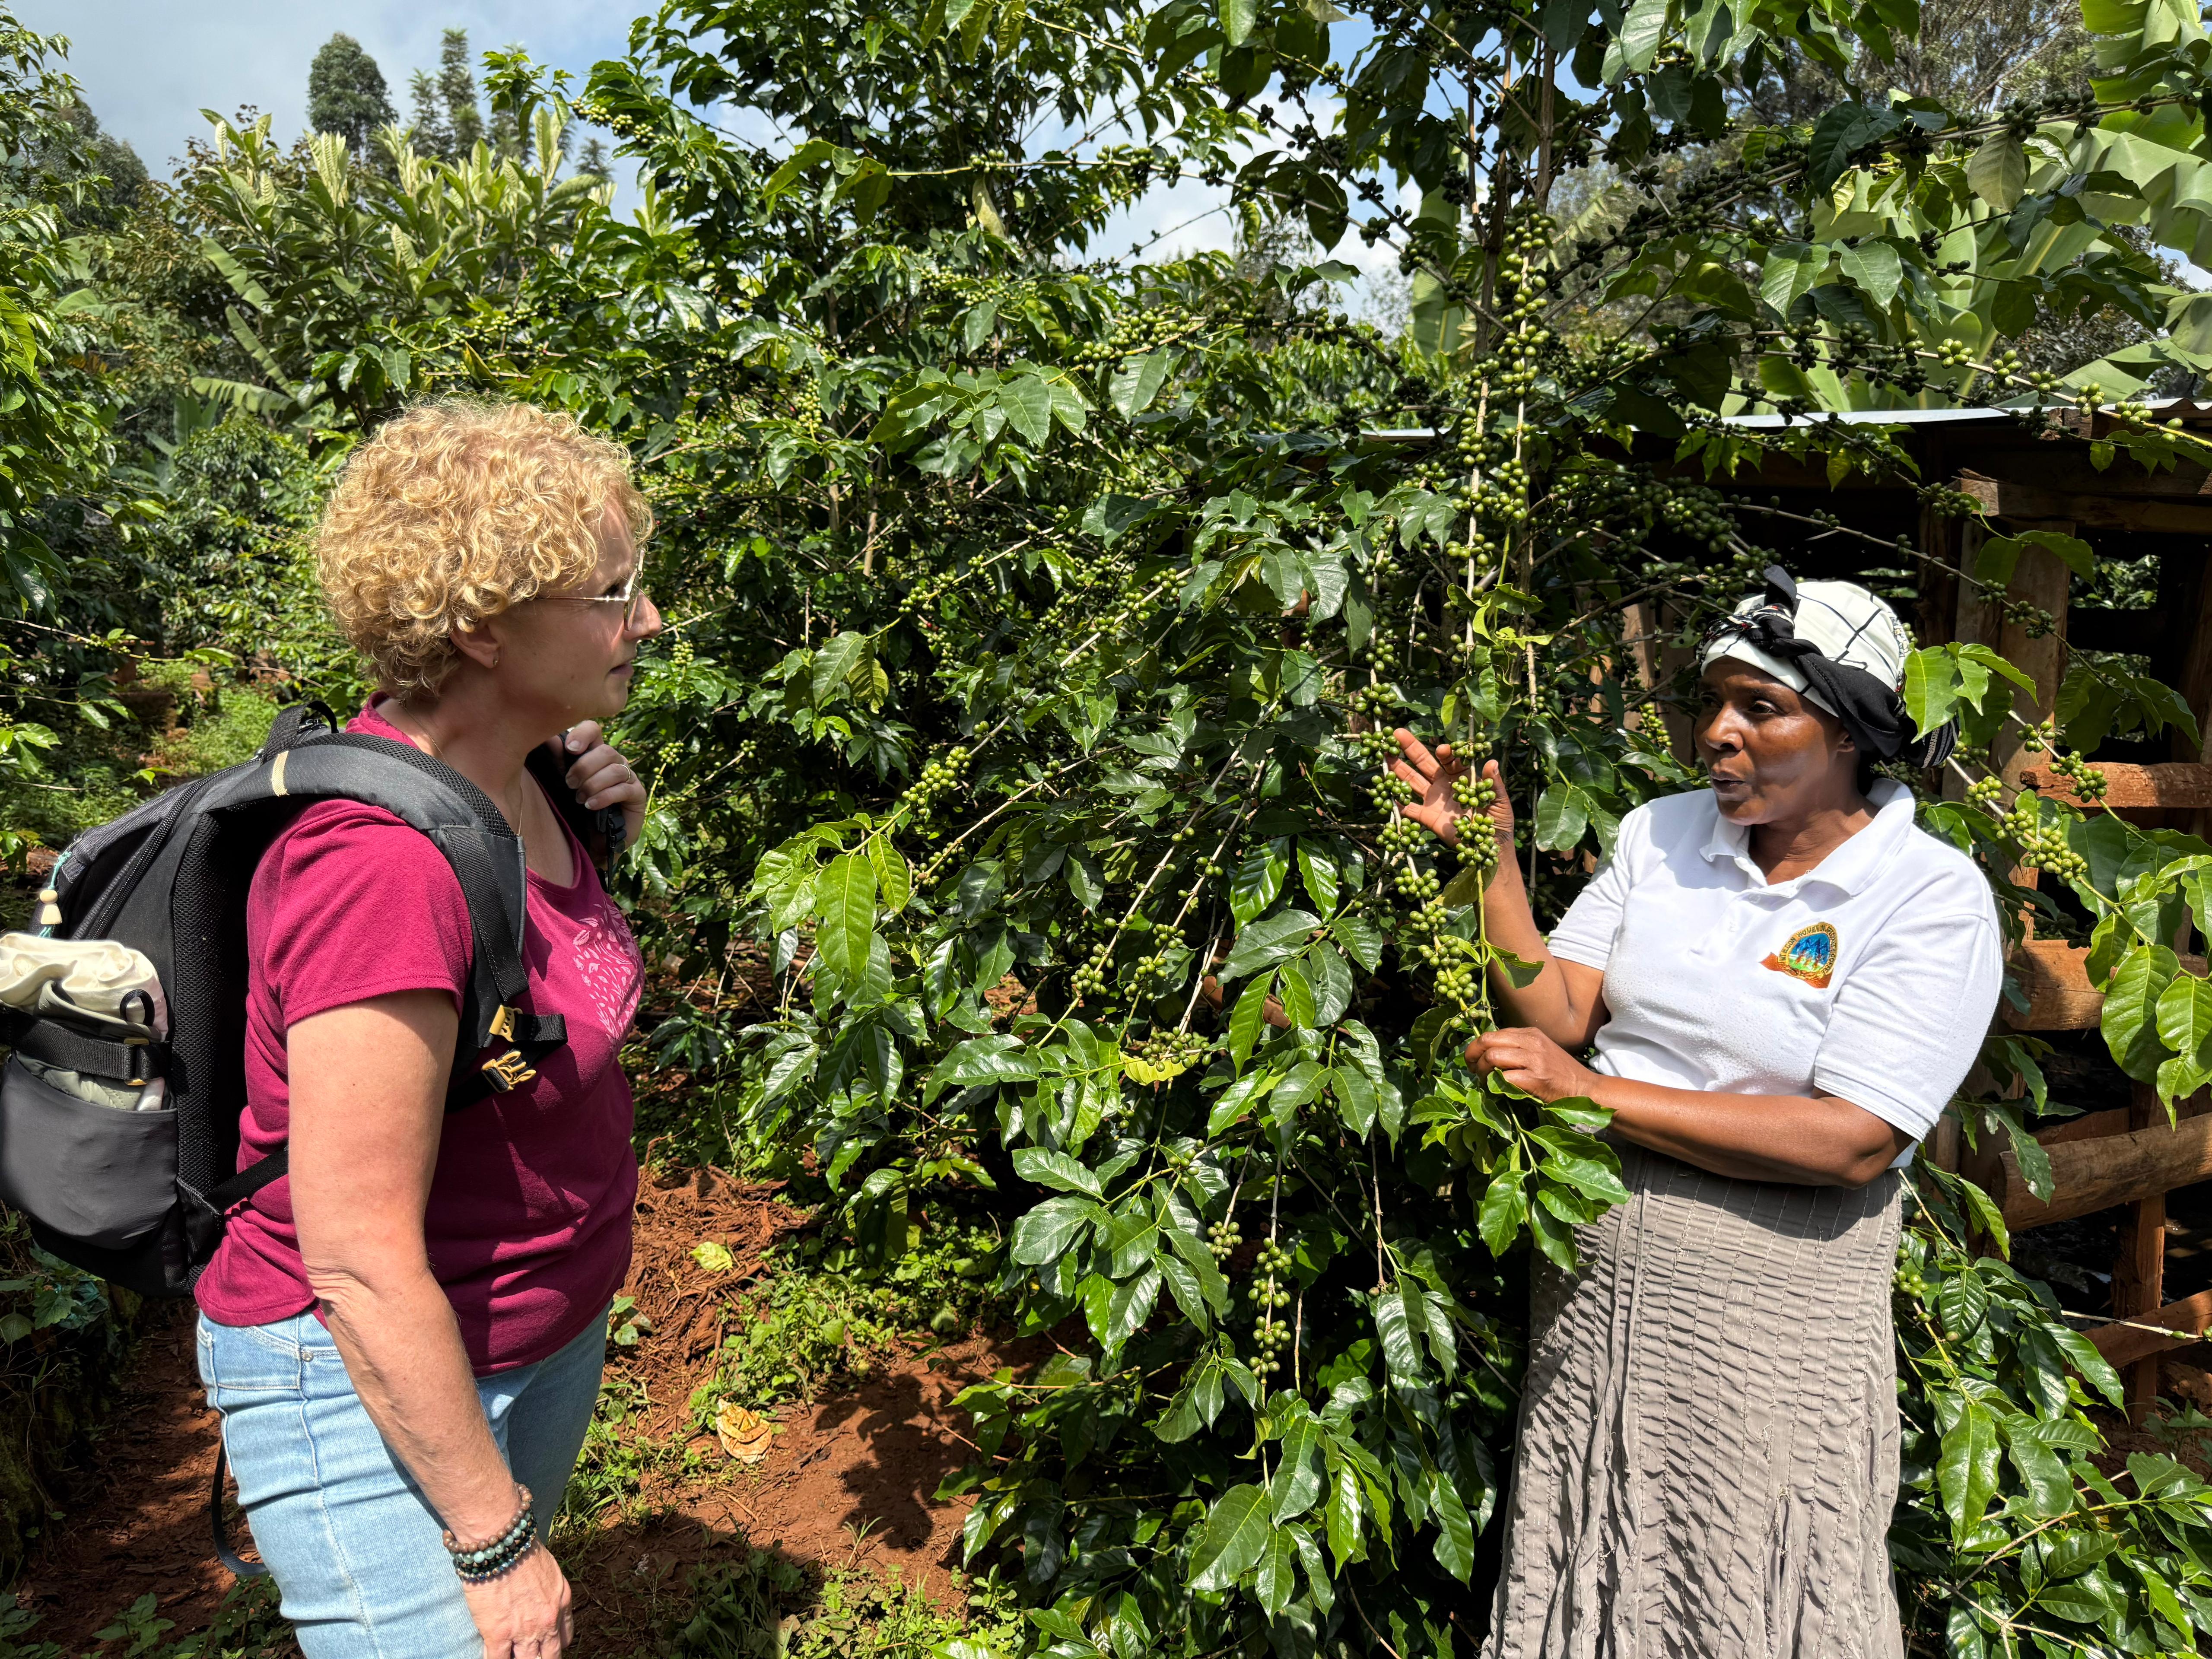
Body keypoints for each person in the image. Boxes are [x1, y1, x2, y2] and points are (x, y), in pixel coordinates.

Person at [1392, 569, 2002, 1657]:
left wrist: (1591, 1097)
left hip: (1771, 1317)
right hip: (1594, 1289)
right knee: (1591, 1530)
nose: (1718, 733)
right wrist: (1478, 855)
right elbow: (1560, 1006)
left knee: (1748, 1567)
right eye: (1712, 702)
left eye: (1760, 709)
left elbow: (1854, 1139)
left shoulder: (1929, 896)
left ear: (1851, 731)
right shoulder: (1659, 835)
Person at [193, 399, 664, 1659]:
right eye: (615, 592)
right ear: (481, 626)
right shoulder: (380, 870)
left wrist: (604, 835)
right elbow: (349, 1253)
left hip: (530, 1331)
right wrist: (494, 1539)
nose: (650, 623)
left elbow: (540, 1023)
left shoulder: (534, 777)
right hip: (365, 1376)